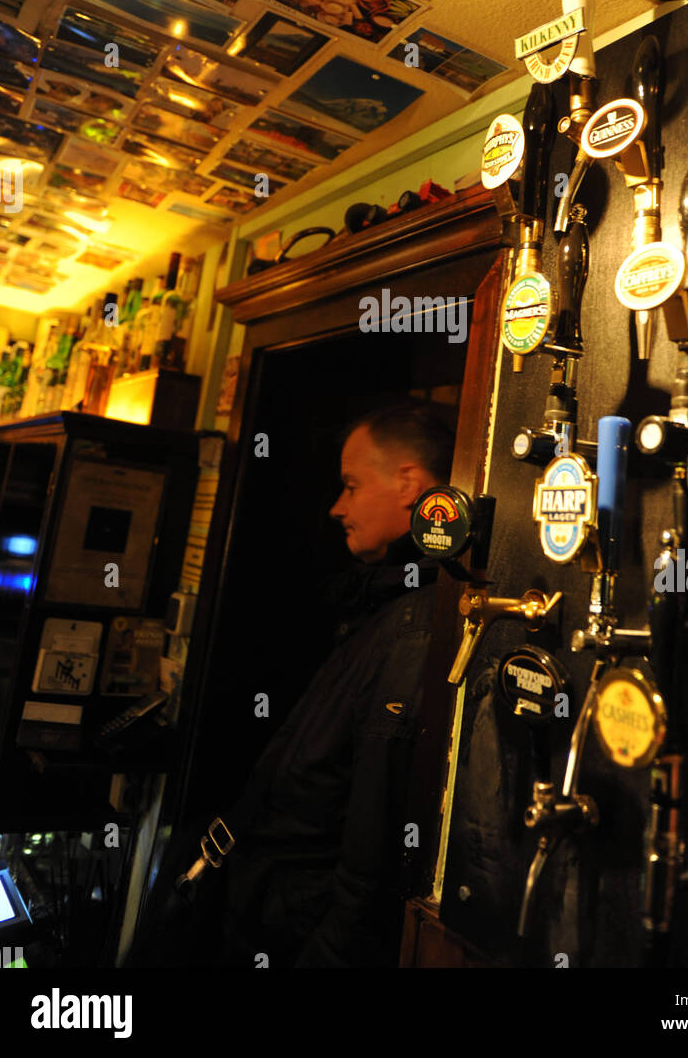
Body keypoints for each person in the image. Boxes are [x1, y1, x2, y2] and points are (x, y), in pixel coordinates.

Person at [129, 398, 454, 969]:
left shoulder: (414, 626)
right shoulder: (378, 608)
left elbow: (370, 872)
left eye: (351, 485)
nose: (336, 507)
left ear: (409, 485)